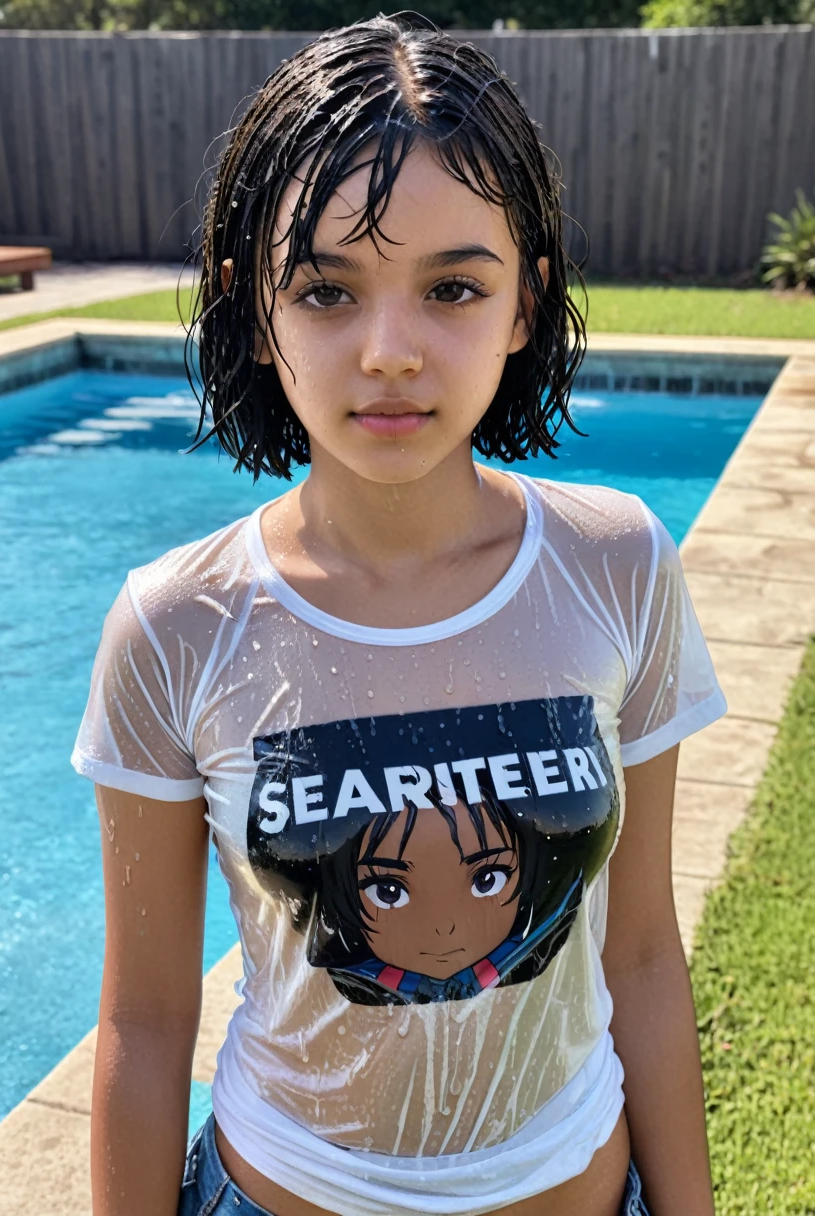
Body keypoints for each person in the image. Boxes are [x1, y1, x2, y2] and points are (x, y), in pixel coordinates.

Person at [72, 12, 726, 1216]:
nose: (388, 351)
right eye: (326, 288)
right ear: (254, 312)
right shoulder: (175, 625)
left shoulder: (616, 562)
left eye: (451, 287)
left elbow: (637, 953)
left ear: (524, 305)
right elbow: (147, 1021)